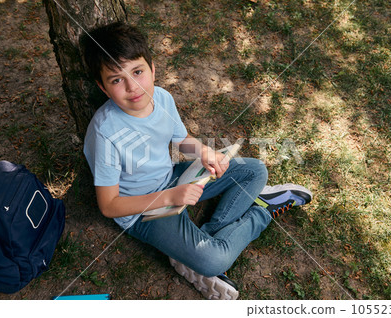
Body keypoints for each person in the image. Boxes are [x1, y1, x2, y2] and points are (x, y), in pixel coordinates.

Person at [81, 21, 312, 300]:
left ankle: (207, 237)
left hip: (173, 178)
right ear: (103, 88)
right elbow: (109, 206)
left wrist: (206, 153)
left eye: (138, 72)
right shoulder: (105, 132)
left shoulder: (163, 99)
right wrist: (170, 196)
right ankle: (260, 212)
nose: (133, 87)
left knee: (254, 170)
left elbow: (181, 140)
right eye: (117, 80)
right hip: (144, 212)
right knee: (214, 261)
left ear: (153, 69)